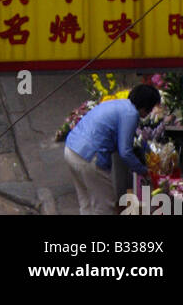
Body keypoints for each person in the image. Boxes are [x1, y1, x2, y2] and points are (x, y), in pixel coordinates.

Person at [64, 84, 162, 215]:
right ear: (145, 107)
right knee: (105, 206)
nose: (149, 113)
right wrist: (143, 171)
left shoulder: (118, 104)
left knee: (86, 202)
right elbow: (125, 151)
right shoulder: (131, 114)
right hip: (89, 156)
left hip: (71, 149)